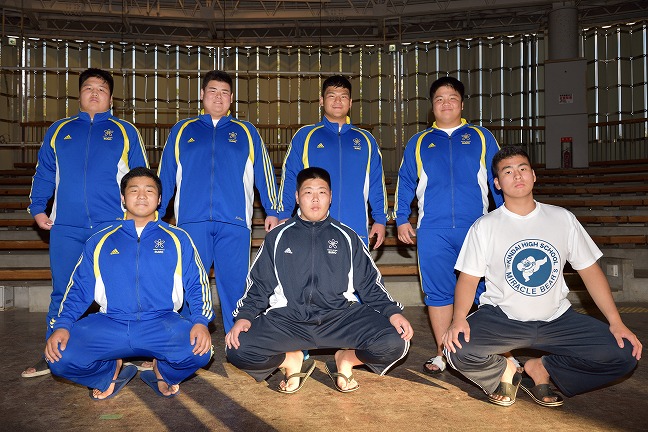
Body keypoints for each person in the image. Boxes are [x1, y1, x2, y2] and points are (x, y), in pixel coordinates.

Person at [442, 146, 642, 407]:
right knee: (455, 347)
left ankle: (543, 368)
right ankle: (504, 370)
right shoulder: (485, 226)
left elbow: (591, 272)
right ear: (497, 183)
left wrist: (616, 322)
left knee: (625, 353)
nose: (517, 175)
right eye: (508, 171)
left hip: (557, 319)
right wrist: (458, 319)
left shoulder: (562, 219)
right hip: (503, 318)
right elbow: (468, 279)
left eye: (523, 168)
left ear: (534, 176)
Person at [225, 167, 412, 393]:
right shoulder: (277, 237)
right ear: (297, 197)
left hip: (340, 317)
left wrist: (393, 312)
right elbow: (259, 285)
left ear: (330, 197)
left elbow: (370, 285)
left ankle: (345, 359)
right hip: (289, 319)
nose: (315, 199)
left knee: (397, 340)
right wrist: (244, 317)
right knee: (237, 348)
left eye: (322, 192)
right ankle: (291, 360)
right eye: (308, 192)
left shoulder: (347, 236)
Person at [44, 167, 214, 400]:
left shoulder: (178, 238)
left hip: (162, 322)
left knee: (201, 352)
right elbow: (79, 288)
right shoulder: (100, 239)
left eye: (149, 190)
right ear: (123, 198)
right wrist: (62, 324)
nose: (142, 195)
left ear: (159, 198)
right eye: (134, 190)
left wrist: (200, 321)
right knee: (58, 357)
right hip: (111, 322)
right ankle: (107, 371)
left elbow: (197, 284)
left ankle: (163, 371)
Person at [24, 68, 149, 378]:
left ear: (111, 98)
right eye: (89, 88)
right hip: (66, 227)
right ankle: (53, 353)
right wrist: (38, 208)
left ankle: (127, 351)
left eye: (102, 89)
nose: (95, 93)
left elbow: (141, 179)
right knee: (63, 292)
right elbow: (44, 172)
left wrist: (141, 220)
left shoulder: (125, 131)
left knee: (120, 291)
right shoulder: (58, 130)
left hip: (111, 227)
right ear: (79, 94)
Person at [393, 76, 503, 375]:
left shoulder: (481, 137)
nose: (446, 103)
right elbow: (405, 182)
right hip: (433, 231)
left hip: (476, 228)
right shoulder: (419, 142)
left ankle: (497, 353)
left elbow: (499, 179)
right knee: (439, 294)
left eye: (452, 97)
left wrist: (506, 217)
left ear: (462, 104)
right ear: (432, 106)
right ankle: (443, 353)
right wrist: (401, 218)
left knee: (488, 292)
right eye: (439, 99)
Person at [157, 70, 280, 333]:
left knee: (235, 286)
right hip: (191, 222)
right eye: (212, 91)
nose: (218, 97)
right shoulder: (182, 130)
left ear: (231, 98)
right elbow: (165, 176)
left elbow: (265, 173)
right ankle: (186, 340)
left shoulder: (246, 132)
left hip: (234, 222)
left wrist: (273, 209)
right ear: (202, 95)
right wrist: (156, 212)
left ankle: (238, 343)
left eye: (224, 92)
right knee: (190, 283)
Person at [277, 75, 388, 249]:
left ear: (350, 103)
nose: (337, 101)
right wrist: (283, 213)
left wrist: (380, 219)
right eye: (331, 96)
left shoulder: (366, 140)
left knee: (354, 268)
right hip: (311, 228)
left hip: (355, 227)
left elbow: (376, 183)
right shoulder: (305, 136)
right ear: (321, 101)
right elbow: (290, 177)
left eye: (343, 96)